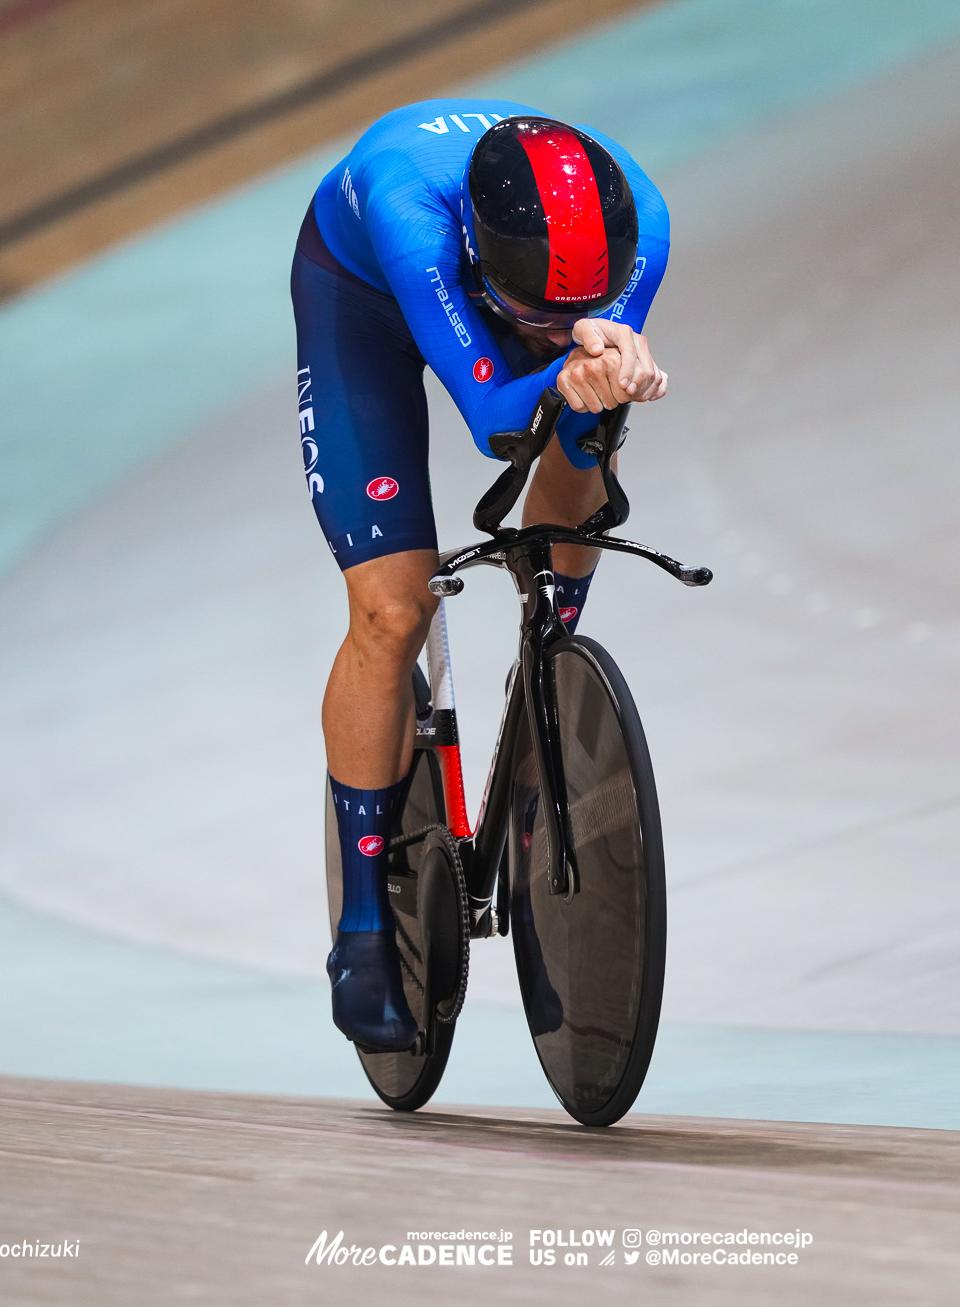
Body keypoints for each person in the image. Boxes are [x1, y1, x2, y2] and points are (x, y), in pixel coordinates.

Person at [293, 101, 671, 1050]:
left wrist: (600, 361)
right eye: (534, 319)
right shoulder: (410, 213)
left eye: (571, 314)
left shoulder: (645, 228)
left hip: (508, 291)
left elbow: (572, 396)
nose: (552, 333)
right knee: (393, 610)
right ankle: (365, 924)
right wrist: (567, 364)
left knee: (585, 422)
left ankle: (549, 642)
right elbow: (495, 423)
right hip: (365, 299)